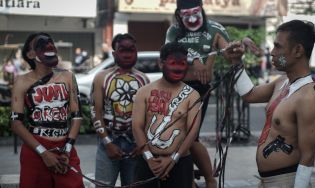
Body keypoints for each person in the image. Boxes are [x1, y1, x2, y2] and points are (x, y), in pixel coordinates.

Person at [165, 0, 259, 187]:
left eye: (195, 13)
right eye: (186, 15)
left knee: (189, 137)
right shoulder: (174, 31)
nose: (191, 19)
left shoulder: (214, 28)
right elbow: (167, 52)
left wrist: (238, 49)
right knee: (180, 136)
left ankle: (209, 179)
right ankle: (192, 178)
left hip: (200, 89)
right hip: (176, 87)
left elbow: (228, 53)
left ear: (202, 10)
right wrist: (193, 60)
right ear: (178, 14)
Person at [233, 20, 315, 187]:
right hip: (267, 181)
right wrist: (236, 62)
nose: (272, 52)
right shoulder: (282, 81)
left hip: (286, 180)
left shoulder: (307, 97)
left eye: (278, 46)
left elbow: (308, 155)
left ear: (297, 50)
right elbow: (249, 95)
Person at [10, 32, 84, 187]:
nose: (49, 45)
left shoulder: (68, 77)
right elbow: (16, 123)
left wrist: (67, 150)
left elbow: (77, 116)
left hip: (65, 148)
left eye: (51, 43)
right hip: (35, 150)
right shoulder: (21, 82)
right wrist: (43, 152)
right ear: (30, 54)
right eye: (41, 44)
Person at [132, 41, 201, 188]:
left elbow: (192, 132)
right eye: (173, 63)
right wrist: (149, 158)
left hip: (180, 162)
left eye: (182, 63)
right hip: (147, 161)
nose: (177, 68)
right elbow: (136, 127)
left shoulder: (192, 95)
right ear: (161, 63)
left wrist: (173, 158)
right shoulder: (144, 92)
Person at [90, 33, 150, 186]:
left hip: (135, 146)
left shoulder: (144, 79)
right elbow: (95, 113)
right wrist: (107, 143)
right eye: (123, 50)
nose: (127, 54)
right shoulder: (101, 77)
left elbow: (148, 116)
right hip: (108, 142)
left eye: (131, 50)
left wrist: (142, 144)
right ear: (114, 53)